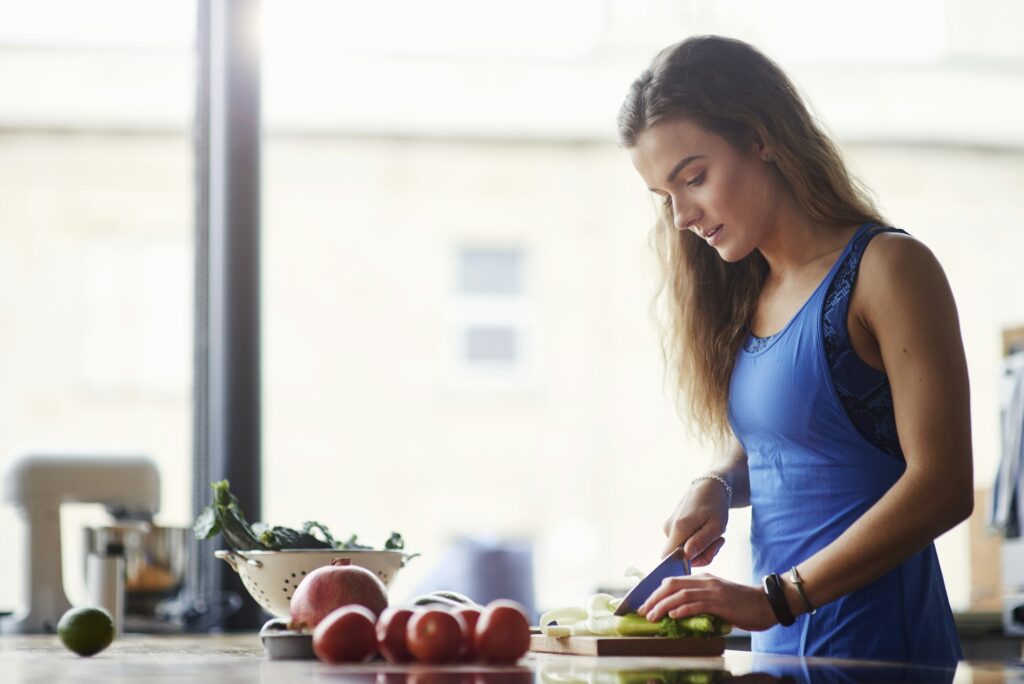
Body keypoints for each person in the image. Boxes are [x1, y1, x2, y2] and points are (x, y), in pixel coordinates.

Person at [617, 36, 972, 667]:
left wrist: (778, 598)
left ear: (762, 138)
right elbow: (801, 445)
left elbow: (943, 486)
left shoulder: (887, 269)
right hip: (780, 657)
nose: (682, 217)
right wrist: (719, 483)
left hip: (880, 658)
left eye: (694, 178)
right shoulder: (753, 293)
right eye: (666, 196)